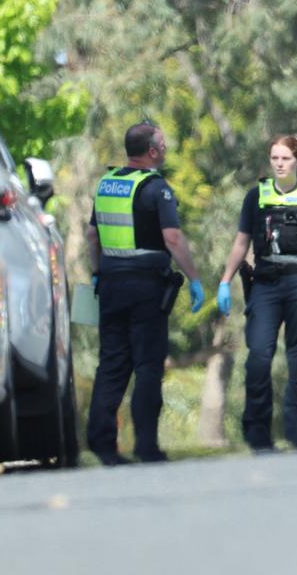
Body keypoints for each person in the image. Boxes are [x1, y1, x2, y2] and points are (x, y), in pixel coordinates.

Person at [85, 122, 205, 465]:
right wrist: (194, 278)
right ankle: (146, 446)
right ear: (152, 151)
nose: (166, 149)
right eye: (163, 144)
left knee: (111, 365)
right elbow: (173, 239)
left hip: (110, 285)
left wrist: (97, 273)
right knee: (148, 365)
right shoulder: (156, 188)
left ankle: (103, 445)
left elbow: (93, 237)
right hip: (146, 287)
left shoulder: (107, 184)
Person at [216, 135, 297, 451]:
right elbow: (242, 242)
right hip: (265, 281)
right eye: (275, 158)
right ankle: (257, 435)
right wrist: (225, 280)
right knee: (259, 358)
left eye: (286, 159)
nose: (279, 164)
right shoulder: (256, 196)